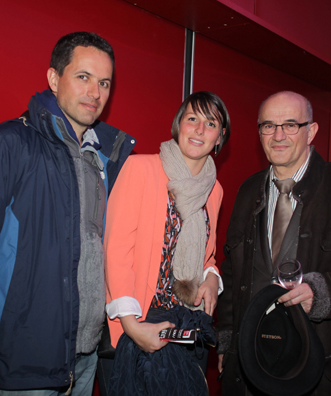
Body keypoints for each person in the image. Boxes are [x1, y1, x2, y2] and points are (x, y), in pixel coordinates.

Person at [0, 32, 135, 396]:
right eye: (83, 77)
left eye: (104, 82)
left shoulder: (108, 158)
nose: (95, 92)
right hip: (21, 367)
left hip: (85, 360)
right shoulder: (7, 144)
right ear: (54, 79)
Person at [216, 91, 331, 395]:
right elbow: (232, 273)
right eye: (268, 126)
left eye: (290, 125)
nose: (278, 135)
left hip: (323, 367)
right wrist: (227, 340)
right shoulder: (248, 191)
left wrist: (323, 292)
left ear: (311, 131)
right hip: (254, 361)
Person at [99, 91, 230, 394]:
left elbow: (206, 256)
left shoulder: (215, 190)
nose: (199, 130)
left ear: (220, 137)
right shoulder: (140, 169)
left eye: (210, 124)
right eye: (192, 119)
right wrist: (133, 326)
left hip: (185, 326)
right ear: (178, 125)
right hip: (140, 323)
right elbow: (116, 252)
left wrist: (212, 278)